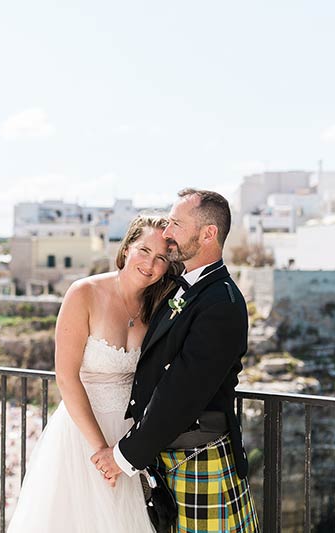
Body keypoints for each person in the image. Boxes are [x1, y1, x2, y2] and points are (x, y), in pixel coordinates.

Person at [92, 189, 260, 533]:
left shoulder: (222, 303)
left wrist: (123, 457)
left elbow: (181, 393)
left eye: (177, 224)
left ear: (208, 234)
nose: (168, 233)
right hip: (168, 456)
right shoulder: (184, 287)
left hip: (198, 457)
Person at [7, 214, 179, 533]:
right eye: (144, 250)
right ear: (126, 248)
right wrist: (101, 451)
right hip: (82, 434)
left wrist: (127, 451)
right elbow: (66, 377)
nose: (151, 264)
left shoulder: (160, 308)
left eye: (161, 258)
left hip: (128, 440)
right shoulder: (84, 293)